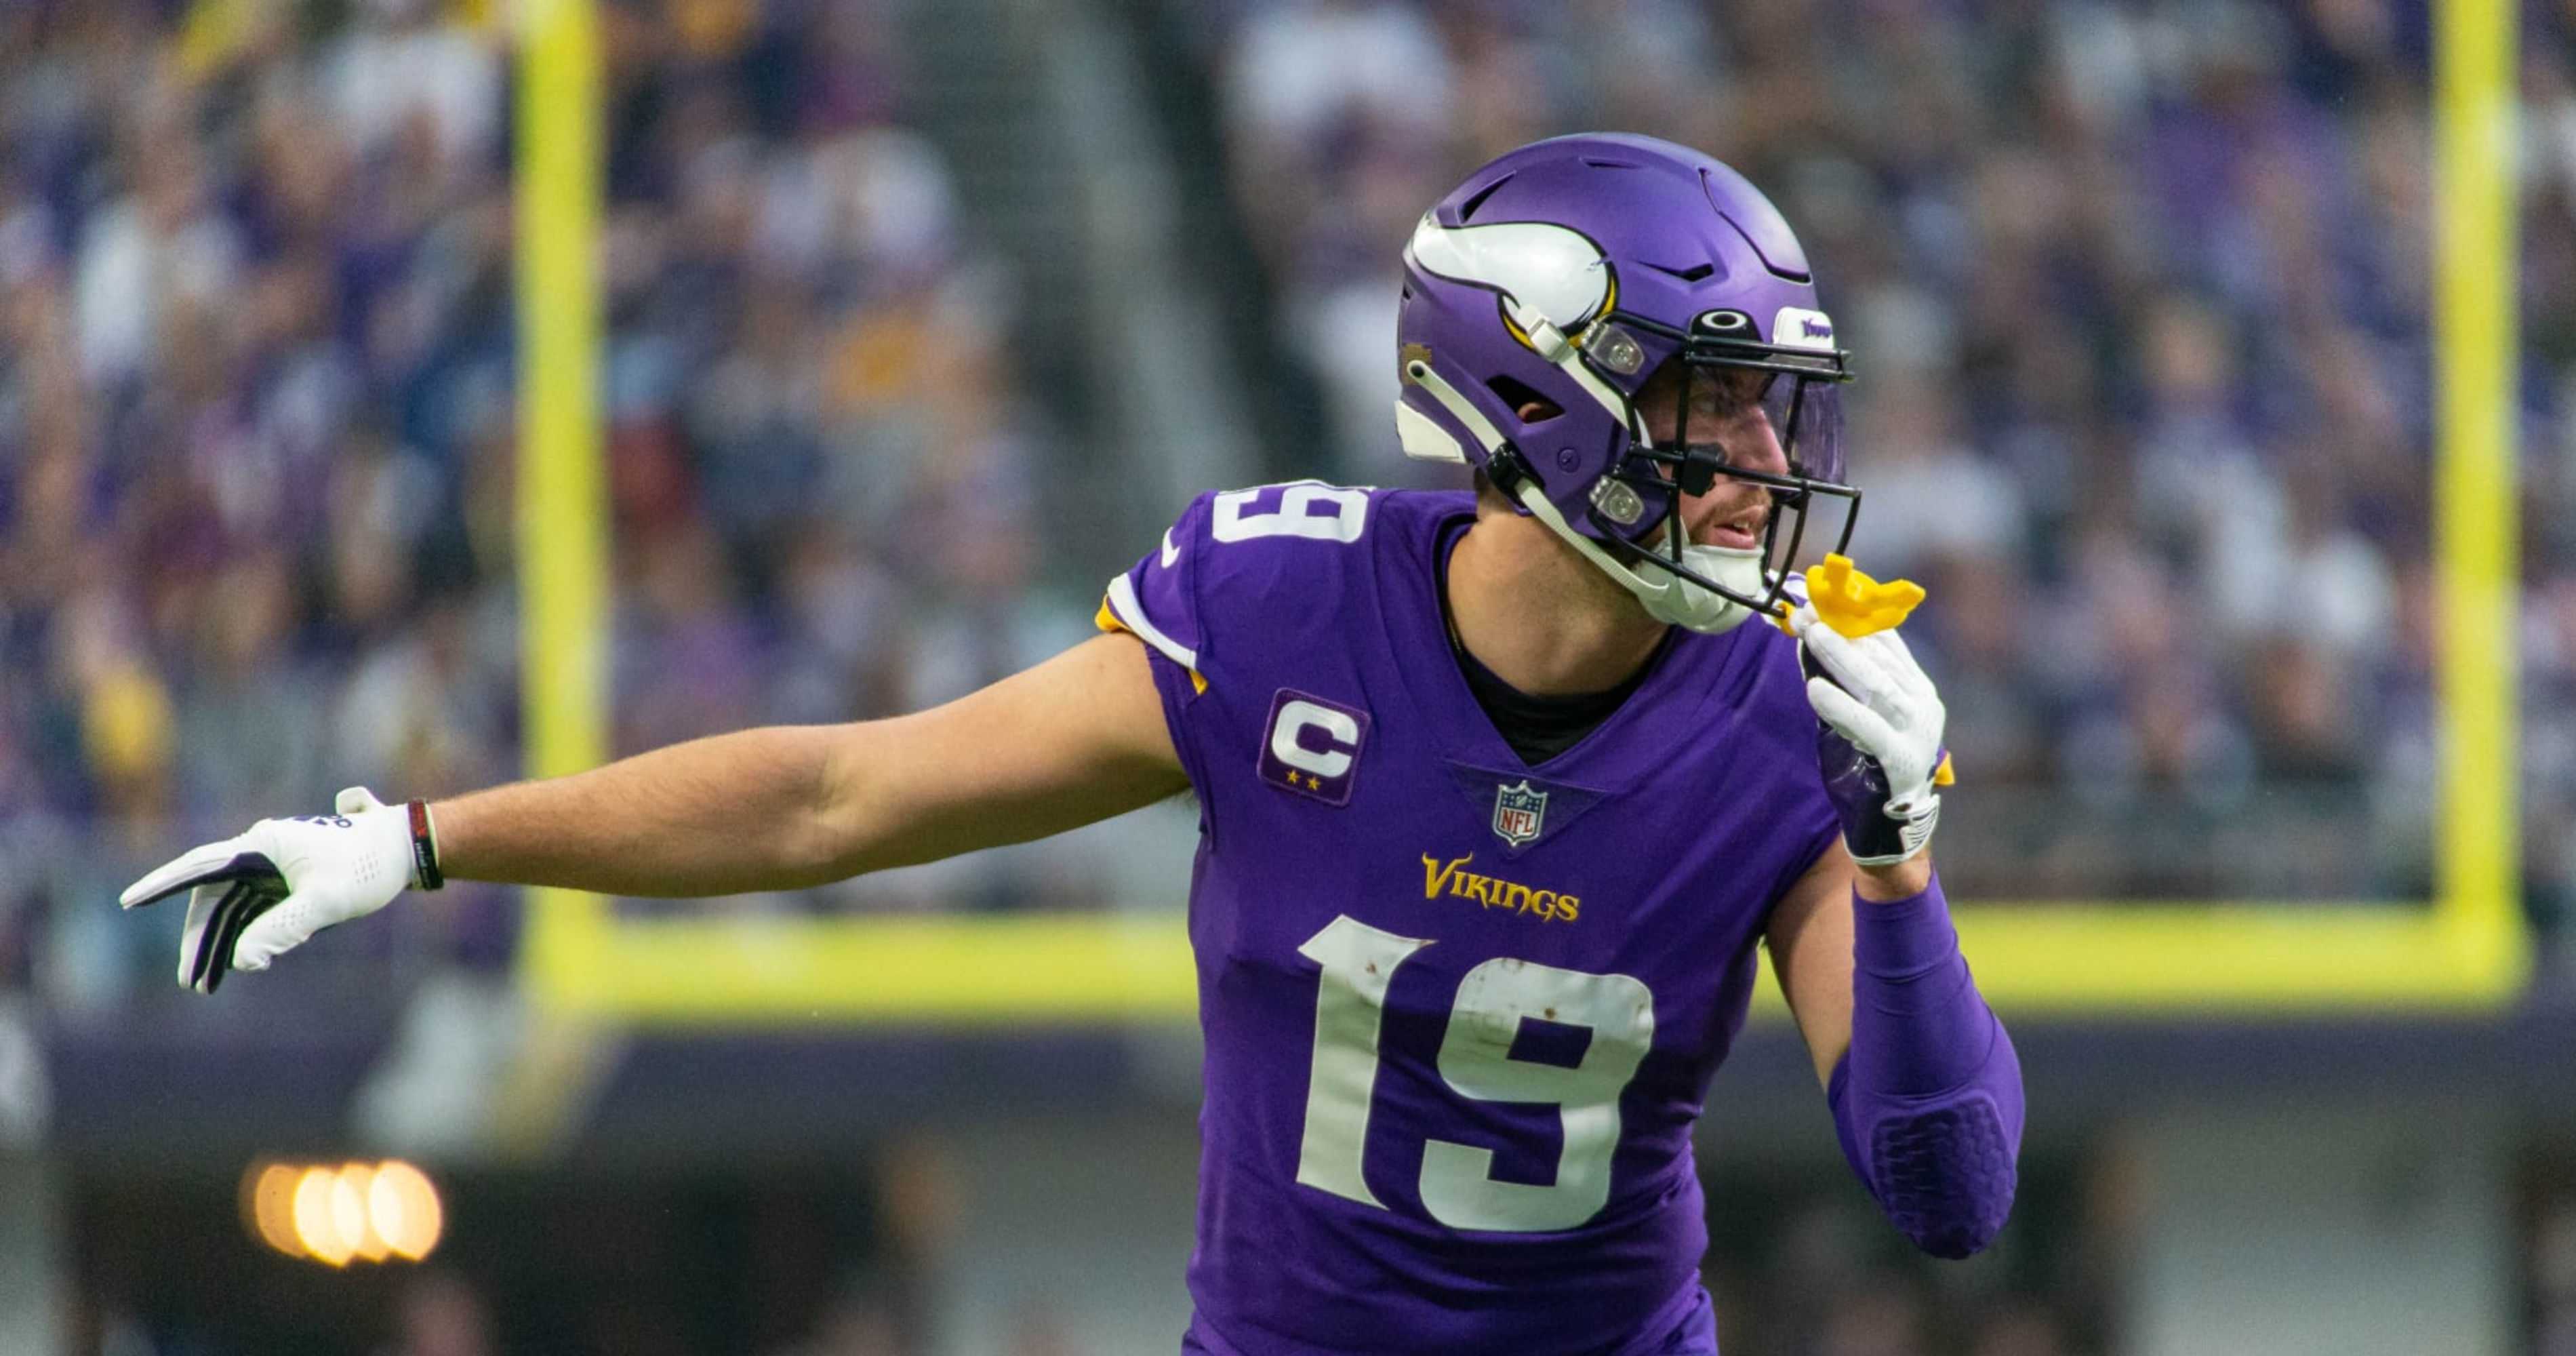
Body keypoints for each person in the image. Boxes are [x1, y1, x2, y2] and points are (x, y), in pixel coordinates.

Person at [122, 133, 2021, 1356]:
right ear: (1535, 398)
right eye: (1712, 403)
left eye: (1781, 417)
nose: (1765, 471)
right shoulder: (1280, 616)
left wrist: (1899, 861)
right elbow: (837, 796)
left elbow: (1950, 1196)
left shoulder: (1802, 708)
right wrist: (415, 840)